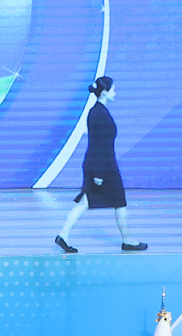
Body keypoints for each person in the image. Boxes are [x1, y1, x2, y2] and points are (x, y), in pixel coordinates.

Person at [57, 77, 145, 254]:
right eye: (113, 89)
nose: (115, 93)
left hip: (98, 164)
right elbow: (99, 145)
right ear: (104, 92)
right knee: (120, 202)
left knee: (85, 202)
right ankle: (127, 240)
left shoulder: (97, 111)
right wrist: (99, 173)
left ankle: (63, 236)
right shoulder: (99, 114)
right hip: (104, 167)